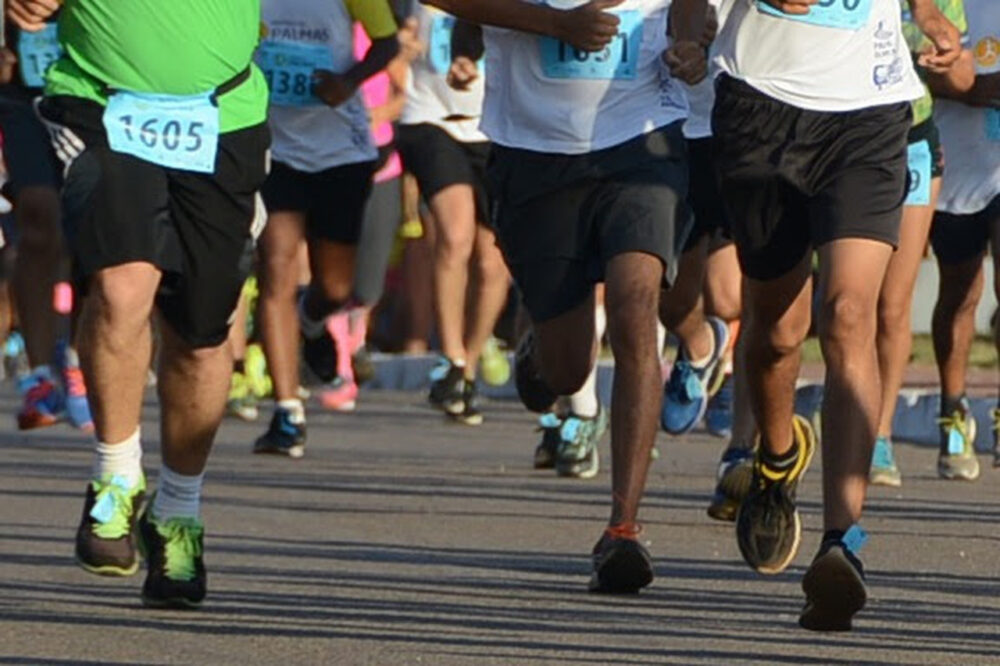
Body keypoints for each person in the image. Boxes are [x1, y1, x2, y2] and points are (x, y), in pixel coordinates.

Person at [424, 0, 707, 592]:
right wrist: (557, 24)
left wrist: (688, 43)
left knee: (635, 312)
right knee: (567, 367)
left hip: (642, 144)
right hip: (535, 156)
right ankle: (537, 348)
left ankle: (623, 528)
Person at [12, 0, 271, 608]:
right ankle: (116, 475)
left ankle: (178, 512)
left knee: (203, 333)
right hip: (101, 101)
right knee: (124, 284)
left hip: (224, 112)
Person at [713, 0, 961, 630]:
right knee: (775, 334)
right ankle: (775, 461)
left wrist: (929, 14)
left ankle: (840, 543)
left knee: (850, 311)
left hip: (869, 112)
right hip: (760, 103)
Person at [252, 0, 399, 457]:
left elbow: (387, 42)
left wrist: (348, 82)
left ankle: (312, 323)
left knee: (336, 287)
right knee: (275, 265)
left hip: (340, 148)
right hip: (272, 147)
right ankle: (287, 410)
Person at [869, 0, 974, 487]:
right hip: (846, 141)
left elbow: (966, 72)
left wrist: (948, 60)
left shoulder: (940, 3)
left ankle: (880, 434)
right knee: (847, 303)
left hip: (914, 141)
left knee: (893, 304)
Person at [396, 3, 511, 426]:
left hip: (495, 126)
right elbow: (383, 37)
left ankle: (471, 362)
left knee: (493, 258)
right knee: (455, 234)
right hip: (431, 119)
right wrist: (400, 47)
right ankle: (451, 356)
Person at [0, 18, 92, 431]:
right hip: (19, 91)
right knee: (38, 213)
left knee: (91, 228)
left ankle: (77, 360)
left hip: (92, 87)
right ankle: (39, 376)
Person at [926, 0, 999, 474]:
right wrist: (966, 83)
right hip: (957, 164)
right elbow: (913, 63)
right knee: (960, 292)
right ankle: (953, 410)